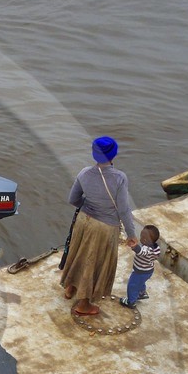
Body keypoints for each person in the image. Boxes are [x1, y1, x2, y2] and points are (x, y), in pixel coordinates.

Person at [60, 136, 138, 317]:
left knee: (78, 253)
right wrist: (131, 234)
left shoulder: (84, 173)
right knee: (93, 263)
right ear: (113, 154)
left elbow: (73, 199)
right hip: (104, 227)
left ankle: (70, 288)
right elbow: (123, 209)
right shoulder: (119, 178)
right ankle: (84, 305)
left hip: (83, 221)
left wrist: (88, 206)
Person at [120, 223, 160, 309]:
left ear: (145, 240)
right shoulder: (155, 248)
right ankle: (141, 293)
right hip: (148, 271)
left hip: (140, 272)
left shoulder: (147, 249)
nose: (141, 238)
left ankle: (131, 302)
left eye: (142, 237)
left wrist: (135, 247)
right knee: (140, 282)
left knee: (132, 285)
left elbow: (142, 252)